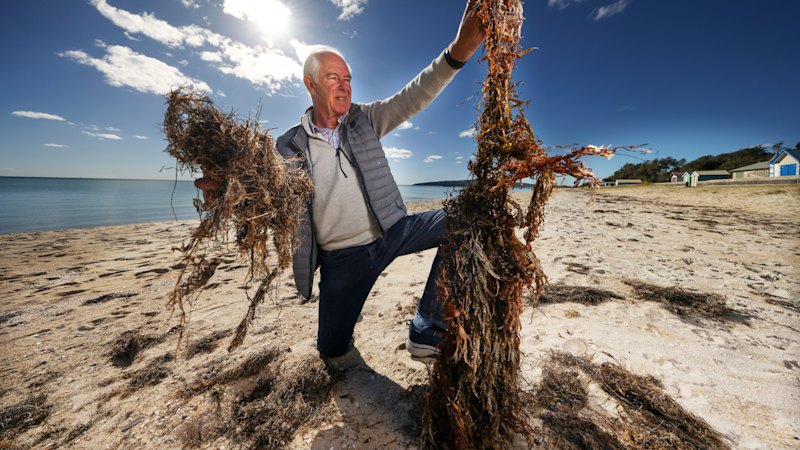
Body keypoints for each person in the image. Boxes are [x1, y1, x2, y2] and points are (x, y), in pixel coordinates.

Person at [196, 1, 485, 359]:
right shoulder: (285, 148)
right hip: (342, 260)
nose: (344, 86)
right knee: (332, 351)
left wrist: (457, 53)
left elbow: (413, 96)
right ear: (311, 84)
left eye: (347, 78)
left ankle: (426, 328)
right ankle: (338, 339)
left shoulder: (365, 120)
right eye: (333, 77)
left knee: (467, 219)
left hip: (392, 232)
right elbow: (262, 202)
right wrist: (227, 196)